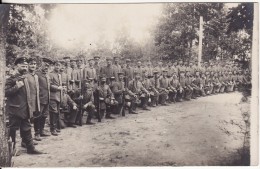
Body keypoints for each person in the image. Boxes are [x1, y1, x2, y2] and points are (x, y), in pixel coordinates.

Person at [5, 56, 42, 154]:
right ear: (17, 66)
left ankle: (31, 148)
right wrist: (16, 87)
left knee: (27, 128)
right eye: (23, 66)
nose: (25, 68)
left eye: (26, 66)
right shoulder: (11, 78)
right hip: (15, 109)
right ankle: (11, 150)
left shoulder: (25, 77)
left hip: (25, 109)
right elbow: (5, 92)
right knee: (12, 130)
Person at [35, 57, 52, 139]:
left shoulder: (47, 74)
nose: (46, 67)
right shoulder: (37, 74)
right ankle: (36, 133)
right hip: (40, 99)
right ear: (41, 64)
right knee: (38, 115)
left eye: (47, 66)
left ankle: (41, 130)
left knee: (44, 116)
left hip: (47, 98)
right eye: (45, 65)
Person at [49, 60, 63, 136]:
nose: (57, 67)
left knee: (57, 112)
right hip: (53, 96)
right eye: (56, 65)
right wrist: (58, 88)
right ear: (54, 66)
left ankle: (56, 127)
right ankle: (52, 129)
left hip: (58, 96)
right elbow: (49, 85)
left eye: (59, 65)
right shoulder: (51, 74)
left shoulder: (59, 75)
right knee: (53, 113)